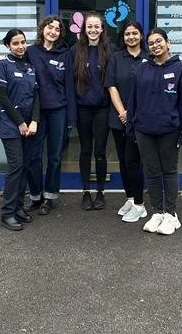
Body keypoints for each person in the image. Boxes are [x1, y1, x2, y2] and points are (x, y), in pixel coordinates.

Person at [127, 28, 182, 236]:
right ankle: (157, 211)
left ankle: (171, 215)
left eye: (159, 41)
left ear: (168, 43)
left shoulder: (180, 69)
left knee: (169, 171)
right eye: (151, 43)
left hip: (169, 130)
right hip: (144, 130)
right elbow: (133, 100)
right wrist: (132, 126)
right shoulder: (142, 69)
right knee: (152, 172)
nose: (155, 45)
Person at [25, 15, 75, 215]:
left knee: (54, 157)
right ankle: (35, 196)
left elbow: (70, 86)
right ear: (42, 29)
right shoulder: (30, 52)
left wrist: (71, 117)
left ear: (60, 33)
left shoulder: (66, 54)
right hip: (35, 113)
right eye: (49, 27)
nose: (53, 31)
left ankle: (50, 196)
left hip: (58, 111)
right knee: (34, 156)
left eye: (57, 29)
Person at [0, 29, 40, 231]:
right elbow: (2, 96)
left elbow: (36, 96)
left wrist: (35, 121)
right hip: (10, 123)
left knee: (25, 166)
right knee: (16, 166)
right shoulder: (3, 65)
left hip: (29, 125)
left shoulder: (30, 68)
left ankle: (19, 207)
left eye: (23, 42)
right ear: (8, 46)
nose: (20, 46)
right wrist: (20, 122)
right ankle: (7, 213)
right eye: (15, 43)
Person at [104, 20, 148, 223]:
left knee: (135, 161)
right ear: (123, 38)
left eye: (135, 33)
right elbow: (111, 87)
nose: (131, 37)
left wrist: (133, 114)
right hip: (119, 118)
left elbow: (152, 90)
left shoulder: (149, 57)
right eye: (127, 34)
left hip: (141, 119)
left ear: (141, 35)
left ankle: (140, 204)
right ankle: (130, 198)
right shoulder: (116, 58)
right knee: (123, 160)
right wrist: (123, 112)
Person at [71, 11, 115, 211]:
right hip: (83, 109)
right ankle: (86, 192)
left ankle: (100, 192)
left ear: (102, 29)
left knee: (99, 151)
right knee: (85, 150)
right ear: (84, 29)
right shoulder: (75, 51)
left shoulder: (110, 51)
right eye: (89, 26)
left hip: (103, 108)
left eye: (97, 26)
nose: (93, 30)